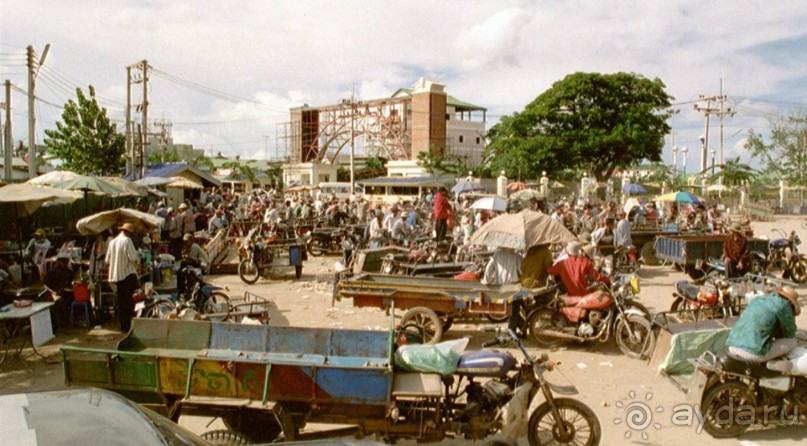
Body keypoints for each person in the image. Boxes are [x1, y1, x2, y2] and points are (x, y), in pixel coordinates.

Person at [726, 286, 799, 363]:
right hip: (752, 353)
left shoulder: (759, 299)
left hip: (732, 346)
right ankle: (776, 365)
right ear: (791, 302)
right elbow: (789, 333)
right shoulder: (784, 305)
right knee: (792, 342)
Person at [105, 223, 141, 332]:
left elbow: (107, 261)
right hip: (128, 275)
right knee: (133, 301)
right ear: (128, 232)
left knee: (121, 303)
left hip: (117, 277)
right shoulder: (127, 241)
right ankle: (133, 325)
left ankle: (124, 326)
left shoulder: (112, 242)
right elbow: (133, 258)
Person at [43, 252, 74, 331]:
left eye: (65, 261)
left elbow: (70, 284)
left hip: (65, 293)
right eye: (62, 261)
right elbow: (45, 285)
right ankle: (61, 323)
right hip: (53, 293)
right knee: (60, 302)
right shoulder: (52, 272)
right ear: (58, 262)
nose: (64, 263)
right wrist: (53, 292)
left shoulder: (69, 272)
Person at [177, 233, 210, 300]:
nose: (185, 243)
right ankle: (185, 290)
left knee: (183, 269)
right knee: (181, 269)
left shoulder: (194, 247)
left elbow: (191, 260)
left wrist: (185, 257)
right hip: (198, 264)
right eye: (184, 242)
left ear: (191, 241)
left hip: (203, 266)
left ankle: (183, 291)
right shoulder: (189, 247)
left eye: (187, 242)